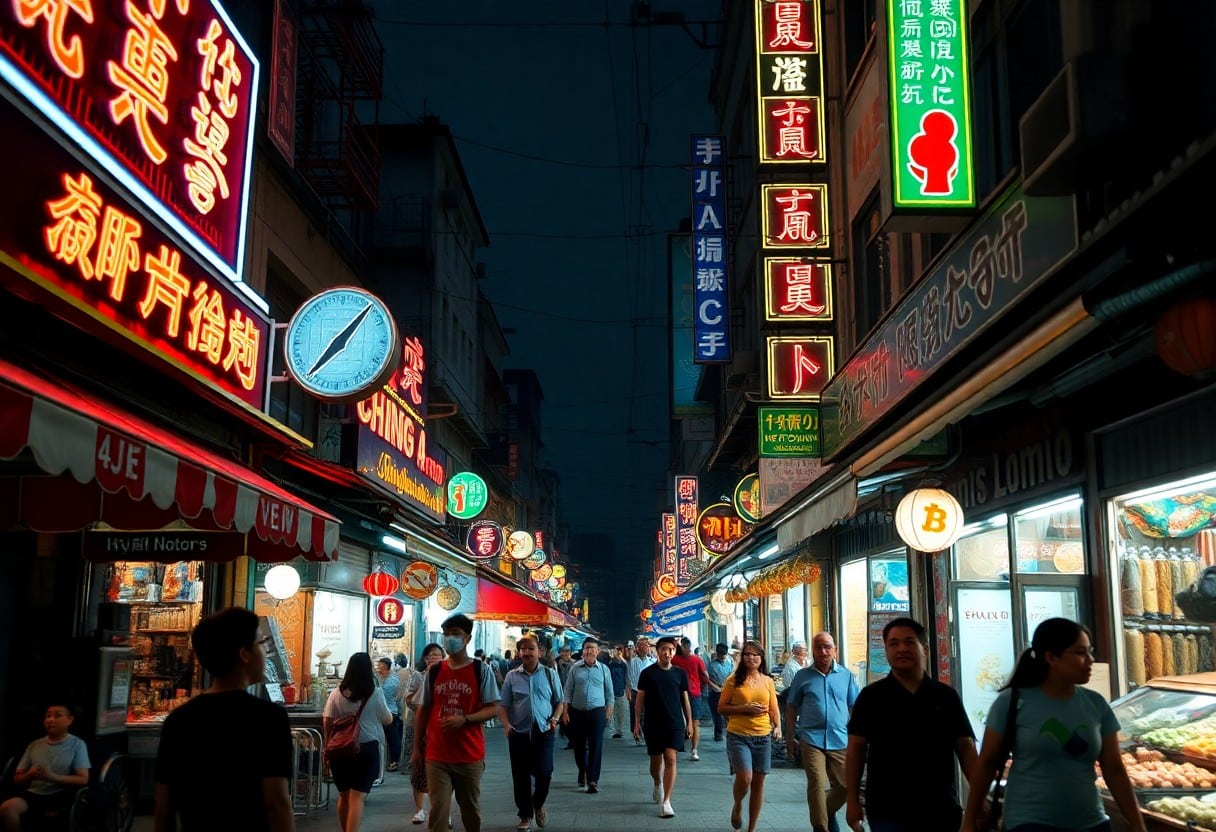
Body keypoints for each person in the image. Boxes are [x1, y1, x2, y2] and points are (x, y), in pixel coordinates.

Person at [961, 618, 1147, 832]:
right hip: (1028, 823)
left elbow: (1114, 769)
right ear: (1051, 657)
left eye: (1090, 651)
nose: (1090, 660)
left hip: (1091, 823)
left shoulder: (1096, 704)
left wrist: (1137, 823)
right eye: (1080, 653)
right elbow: (986, 764)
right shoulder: (1012, 702)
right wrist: (969, 820)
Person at [153, 607, 294, 832]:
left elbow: (164, 806)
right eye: (260, 644)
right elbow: (276, 802)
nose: (265, 653)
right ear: (244, 654)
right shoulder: (268, 718)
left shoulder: (179, 720)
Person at [845, 617, 977, 832]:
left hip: (939, 807)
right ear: (886, 650)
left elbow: (966, 750)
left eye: (909, 642)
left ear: (924, 648)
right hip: (887, 809)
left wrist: (979, 797)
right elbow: (855, 751)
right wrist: (852, 800)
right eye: (893, 643)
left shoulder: (945, 697)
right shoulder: (872, 697)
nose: (901, 649)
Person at [412, 614, 500, 832]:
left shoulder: (481, 670)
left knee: (470, 811)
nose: (450, 639)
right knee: (438, 812)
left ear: (467, 639)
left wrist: (466, 720)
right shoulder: (435, 672)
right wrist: (416, 748)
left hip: (469, 755)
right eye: (447, 634)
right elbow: (423, 710)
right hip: (437, 755)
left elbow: (493, 707)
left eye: (456, 634)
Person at [787, 632, 858, 832]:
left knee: (846, 786)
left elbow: (854, 707)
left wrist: (858, 737)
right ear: (813, 651)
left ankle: (823, 811)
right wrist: (790, 737)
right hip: (810, 738)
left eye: (827, 647)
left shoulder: (846, 676)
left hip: (840, 737)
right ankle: (821, 827)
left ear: (835, 650)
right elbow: (791, 707)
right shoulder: (803, 676)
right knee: (817, 782)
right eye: (818, 647)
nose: (823, 651)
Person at [497, 635, 565, 831]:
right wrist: (506, 726)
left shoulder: (550, 674)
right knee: (521, 776)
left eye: (531, 648)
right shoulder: (512, 676)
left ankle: (538, 804)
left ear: (539, 651)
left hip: (544, 731)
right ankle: (525, 815)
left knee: (545, 772)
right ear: (519, 652)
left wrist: (554, 719)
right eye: (523, 649)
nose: (526, 652)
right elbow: (503, 706)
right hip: (519, 732)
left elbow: (559, 701)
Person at [324, 652, 393, 832]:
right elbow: (387, 719)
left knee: (343, 795)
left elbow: (327, 720)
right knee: (357, 797)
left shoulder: (336, 693)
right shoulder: (375, 693)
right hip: (366, 748)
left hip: (339, 750)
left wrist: (326, 745)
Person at [718, 640, 781, 832]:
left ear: (761, 658)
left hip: (763, 736)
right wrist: (744, 708)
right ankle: (738, 805)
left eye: (755, 654)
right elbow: (721, 708)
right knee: (745, 778)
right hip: (738, 735)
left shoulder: (768, 681)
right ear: (742, 657)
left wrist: (777, 727)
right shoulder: (733, 680)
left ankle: (751, 828)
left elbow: (774, 708)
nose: (751, 658)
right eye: (747, 654)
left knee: (759, 784)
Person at [0, 704, 90, 832]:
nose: (50, 720)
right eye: (48, 716)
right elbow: (17, 778)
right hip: (32, 794)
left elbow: (83, 779)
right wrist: (29, 775)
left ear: (69, 720)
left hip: (60, 795)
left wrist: (53, 777)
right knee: (7, 808)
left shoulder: (77, 744)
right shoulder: (35, 744)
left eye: (57, 715)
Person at [633, 636, 692, 819]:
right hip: (653, 723)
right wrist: (636, 722)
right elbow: (640, 699)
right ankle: (657, 783)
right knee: (655, 761)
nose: (668, 653)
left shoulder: (680, 673)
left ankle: (667, 801)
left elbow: (685, 699)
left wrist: (689, 721)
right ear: (657, 651)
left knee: (671, 758)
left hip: (674, 722)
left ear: (675, 652)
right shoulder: (648, 673)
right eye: (664, 649)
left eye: (671, 650)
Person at [560, 638, 614, 793]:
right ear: (582, 651)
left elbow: (609, 693)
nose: (589, 651)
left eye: (592, 648)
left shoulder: (604, 670)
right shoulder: (575, 668)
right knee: (578, 745)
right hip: (577, 712)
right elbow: (568, 691)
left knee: (596, 745)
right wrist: (565, 711)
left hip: (597, 712)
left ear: (597, 651)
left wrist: (609, 710)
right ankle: (582, 769)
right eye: (586, 648)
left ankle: (593, 779)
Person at [404, 643, 444, 825]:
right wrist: (427, 678)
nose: (434, 658)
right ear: (425, 659)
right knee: (419, 770)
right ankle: (420, 809)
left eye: (438, 655)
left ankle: (443, 811)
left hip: (442, 730)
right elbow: (410, 701)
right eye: (431, 655)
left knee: (443, 773)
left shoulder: (448, 675)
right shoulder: (418, 677)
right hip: (420, 728)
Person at [670, 636, 711, 761]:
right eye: (685, 647)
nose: (686, 649)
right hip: (692, 693)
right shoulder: (695, 660)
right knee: (693, 722)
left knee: (690, 722)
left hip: (683, 693)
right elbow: (705, 676)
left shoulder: (675, 660)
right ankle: (693, 750)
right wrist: (702, 685)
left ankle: (690, 749)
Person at [627, 637, 656, 747]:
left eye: (646, 645)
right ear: (638, 648)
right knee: (635, 714)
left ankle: (647, 734)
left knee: (648, 714)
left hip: (649, 692)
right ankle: (637, 735)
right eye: (642, 645)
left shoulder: (652, 662)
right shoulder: (632, 662)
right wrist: (628, 690)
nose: (644, 647)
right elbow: (628, 677)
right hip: (635, 691)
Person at [377, 657, 403, 772]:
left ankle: (395, 761)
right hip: (381, 712)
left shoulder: (392, 679)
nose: (378, 667)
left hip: (391, 712)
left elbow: (383, 693)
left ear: (386, 666)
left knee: (392, 737)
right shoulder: (381, 678)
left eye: (380, 665)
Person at [707, 643, 734, 743]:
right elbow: (707, 679)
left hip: (728, 691)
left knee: (729, 714)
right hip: (715, 692)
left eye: (724, 656)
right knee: (717, 715)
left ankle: (731, 733)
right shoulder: (711, 665)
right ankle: (718, 735)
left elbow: (733, 675)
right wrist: (716, 688)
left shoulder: (730, 662)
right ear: (717, 653)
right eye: (721, 656)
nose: (723, 658)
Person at [608, 646, 629, 739]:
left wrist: (627, 689)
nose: (618, 652)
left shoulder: (624, 663)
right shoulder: (610, 663)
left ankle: (619, 729)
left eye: (619, 651)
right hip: (612, 690)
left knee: (621, 711)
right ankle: (616, 729)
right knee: (614, 711)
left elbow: (627, 677)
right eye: (616, 650)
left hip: (621, 690)